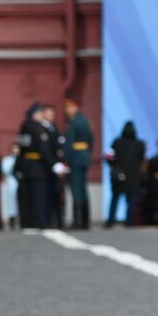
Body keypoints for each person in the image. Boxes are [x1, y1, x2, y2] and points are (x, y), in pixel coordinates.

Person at [104, 122, 145, 227]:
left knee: (115, 199)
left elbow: (109, 157)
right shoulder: (139, 144)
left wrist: (114, 166)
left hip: (119, 176)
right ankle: (129, 222)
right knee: (131, 201)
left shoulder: (117, 142)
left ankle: (110, 221)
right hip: (133, 177)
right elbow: (142, 159)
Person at [63, 97, 94, 229]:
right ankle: (86, 220)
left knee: (76, 189)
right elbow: (91, 142)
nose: (67, 110)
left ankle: (78, 221)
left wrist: (66, 160)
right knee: (83, 188)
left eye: (69, 107)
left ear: (76, 107)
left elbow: (69, 143)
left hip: (75, 158)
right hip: (84, 156)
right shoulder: (86, 121)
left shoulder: (74, 122)